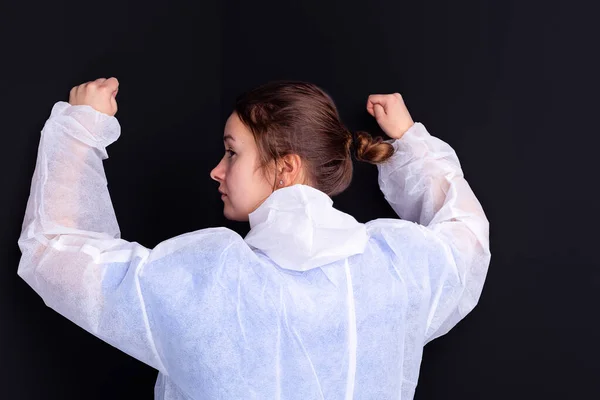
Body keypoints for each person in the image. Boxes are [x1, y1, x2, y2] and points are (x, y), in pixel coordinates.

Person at [17, 77, 491, 400]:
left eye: (231, 152)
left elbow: (54, 250)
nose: (216, 170)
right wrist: (407, 142)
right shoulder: (398, 268)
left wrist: (81, 128)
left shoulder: (206, 279)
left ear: (286, 167)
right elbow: (467, 240)